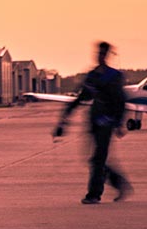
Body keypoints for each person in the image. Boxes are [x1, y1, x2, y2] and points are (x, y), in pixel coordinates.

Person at [54, 41, 131, 204]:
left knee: (98, 158)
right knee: (92, 159)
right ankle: (119, 184)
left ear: (107, 55)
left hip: (107, 122)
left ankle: (94, 194)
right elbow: (82, 97)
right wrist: (64, 120)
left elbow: (121, 100)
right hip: (94, 120)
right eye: (98, 53)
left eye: (103, 54)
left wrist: (118, 123)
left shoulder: (114, 76)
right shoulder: (92, 76)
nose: (100, 57)